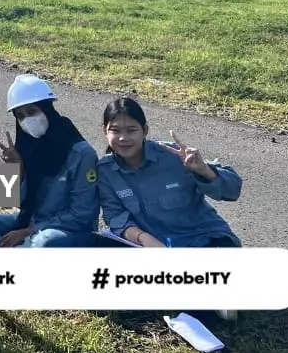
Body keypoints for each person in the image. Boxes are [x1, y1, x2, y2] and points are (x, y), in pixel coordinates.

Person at [0, 75, 100, 248]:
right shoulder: (28, 147)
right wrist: (18, 170)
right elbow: (21, 203)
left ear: (47, 109)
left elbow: (82, 215)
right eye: (20, 116)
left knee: (43, 243)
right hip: (32, 220)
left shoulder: (82, 154)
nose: (27, 121)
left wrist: (29, 231)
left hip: (66, 231)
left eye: (32, 111)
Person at [98, 97, 242, 248]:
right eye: (115, 130)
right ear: (104, 131)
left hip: (207, 240)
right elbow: (115, 217)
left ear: (145, 130)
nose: (123, 138)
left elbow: (233, 191)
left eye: (131, 130)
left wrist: (204, 170)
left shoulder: (175, 155)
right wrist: (143, 238)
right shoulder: (106, 171)